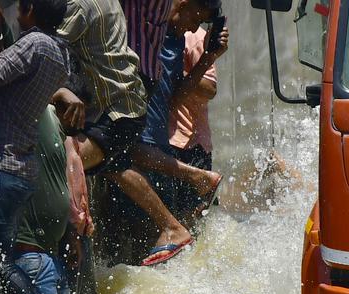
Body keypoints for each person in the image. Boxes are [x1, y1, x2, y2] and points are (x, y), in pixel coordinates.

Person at [52, 0, 195, 266]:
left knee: (61, 162)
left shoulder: (80, 7)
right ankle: (173, 225)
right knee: (117, 166)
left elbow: (46, 46)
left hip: (115, 111)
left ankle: (77, 243)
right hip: (128, 104)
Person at [0, 0, 70, 262]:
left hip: (3, 166)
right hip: (20, 169)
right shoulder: (60, 52)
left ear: (32, 9)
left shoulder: (36, 43)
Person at [129, 0, 224, 208]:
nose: (193, 28)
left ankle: (196, 177)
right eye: (194, 19)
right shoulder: (143, 26)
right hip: (156, 146)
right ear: (182, 5)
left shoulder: (182, 40)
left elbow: (180, 97)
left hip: (168, 148)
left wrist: (208, 57)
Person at [9, 105, 79, 294]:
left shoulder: (50, 113)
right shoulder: (17, 116)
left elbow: (62, 177)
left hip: (53, 254)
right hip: (30, 255)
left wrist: (72, 234)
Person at [166, 24, 221, 218]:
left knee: (191, 221)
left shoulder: (195, 37)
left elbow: (210, 89)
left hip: (189, 144)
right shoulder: (157, 31)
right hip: (163, 141)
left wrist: (171, 72)